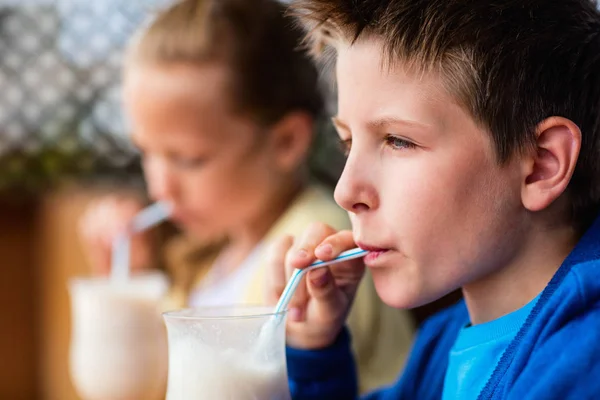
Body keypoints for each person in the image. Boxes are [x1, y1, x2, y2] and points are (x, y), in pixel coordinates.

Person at [266, 0, 600, 398]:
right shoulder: (440, 345)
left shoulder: (583, 363)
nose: (345, 191)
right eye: (347, 143)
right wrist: (314, 348)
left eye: (398, 141)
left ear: (541, 165)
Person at [78, 0, 414, 393]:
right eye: (146, 153)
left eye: (188, 159)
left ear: (286, 142)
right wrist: (130, 285)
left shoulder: (313, 249)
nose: (159, 188)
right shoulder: (216, 254)